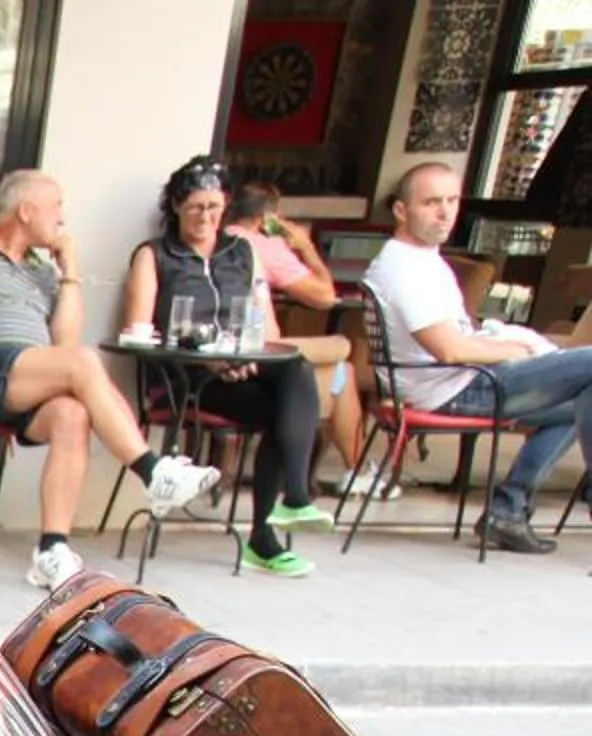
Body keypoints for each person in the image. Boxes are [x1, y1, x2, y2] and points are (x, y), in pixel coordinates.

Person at [0, 168, 224, 591]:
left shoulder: (42, 272)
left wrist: (70, 272)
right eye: (56, 207)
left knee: (72, 413)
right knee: (81, 363)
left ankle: (52, 550)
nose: (62, 219)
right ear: (26, 211)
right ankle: (153, 471)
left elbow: (65, 342)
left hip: (27, 376)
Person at [360, 162, 592, 555]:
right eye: (432, 202)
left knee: (579, 402)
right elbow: (449, 350)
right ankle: (512, 509)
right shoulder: (405, 270)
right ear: (401, 210)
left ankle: (507, 512)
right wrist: (513, 350)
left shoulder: (422, 260)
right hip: (455, 388)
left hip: (461, 380)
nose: (445, 212)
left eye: (452, 200)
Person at [120, 156, 327, 576]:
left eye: (214, 207)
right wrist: (211, 360)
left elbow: (266, 327)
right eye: (195, 207)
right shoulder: (155, 255)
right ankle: (282, 515)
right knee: (284, 408)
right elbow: (138, 332)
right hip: (186, 377)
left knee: (295, 370)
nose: (205, 216)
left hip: (242, 366)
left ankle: (286, 510)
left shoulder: (242, 252)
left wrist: (244, 356)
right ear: (176, 206)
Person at [225, 181, 380, 496]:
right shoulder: (262, 245)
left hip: (233, 351)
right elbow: (325, 297)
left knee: (339, 372)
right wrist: (305, 247)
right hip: (262, 351)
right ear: (269, 218)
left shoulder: (220, 238)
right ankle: (357, 470)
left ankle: (352, 469)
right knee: (342, 358)